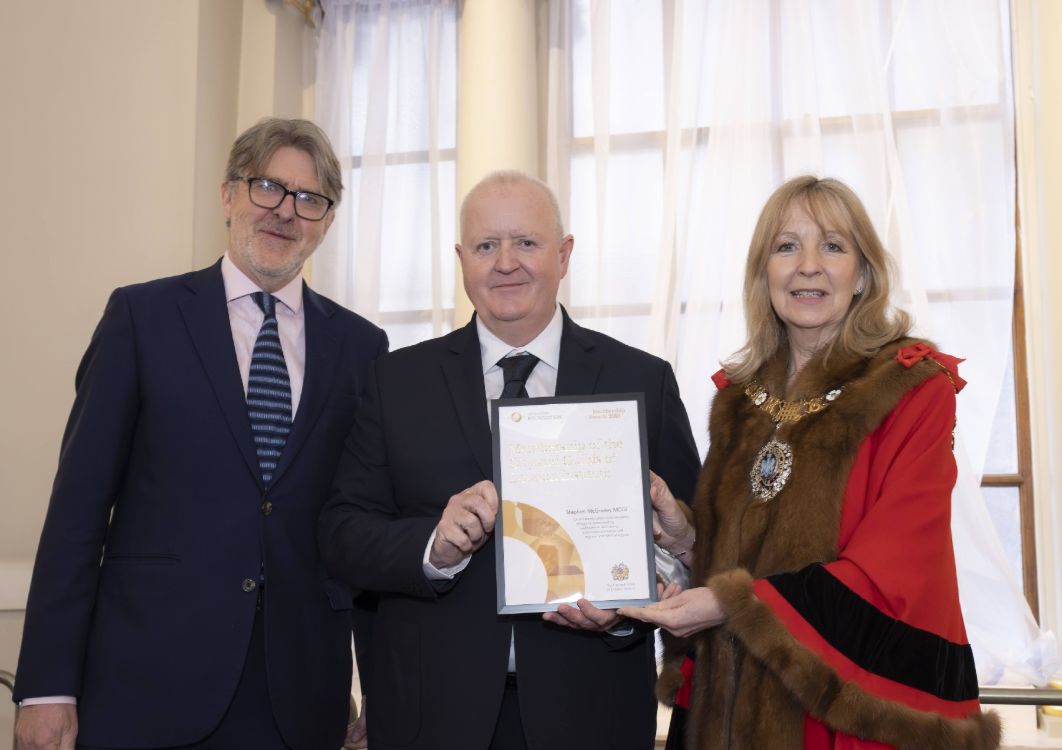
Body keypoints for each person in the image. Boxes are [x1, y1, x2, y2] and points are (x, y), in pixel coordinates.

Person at [14, 118, 387, 750]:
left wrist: (381, 688)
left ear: (326, 222)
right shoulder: (142, 318)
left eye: (309, 198)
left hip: (299, 695)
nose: (285, 211)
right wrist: (47, 687)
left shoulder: (362, 346)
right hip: (147, 683)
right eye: (267, 186)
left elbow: (367, 527)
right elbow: (77, 510)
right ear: (228, 195)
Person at [319, 170, 702, 750]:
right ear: (461, 260)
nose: (505, 263)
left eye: (526, 242)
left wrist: (630, 604)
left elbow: (691, 544)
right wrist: (433, 547)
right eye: (485, 245)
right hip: (431, 716)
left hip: (593, 711)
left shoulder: (642, 380)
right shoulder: (397, 381)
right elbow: (342, 533)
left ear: (564, 254)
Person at [620, 176, 1001, 750]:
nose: (808, 266)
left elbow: (893, 573)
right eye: (786, 246)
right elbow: (738, 565)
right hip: (724, 717)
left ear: (863, 274)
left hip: (840, 719)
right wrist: (687, 541)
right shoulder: (742, 401)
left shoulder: (911, 393)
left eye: (833, 246)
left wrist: (729, 603)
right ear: (764, 273)